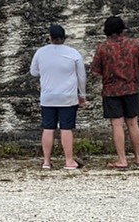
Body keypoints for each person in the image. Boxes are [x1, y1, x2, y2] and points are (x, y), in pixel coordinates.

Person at [90, 15, 139, 170]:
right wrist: (131, 70)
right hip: (131, 88)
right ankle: (138, 158)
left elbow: (96, 71)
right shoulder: (134, 44)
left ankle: (122, 159)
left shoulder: (103, 48)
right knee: (133, 123)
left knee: (117, 124)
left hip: (111, 90)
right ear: (122, 29)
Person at [28, 24, 87, 170]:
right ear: (65, 38)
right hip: (68, 96)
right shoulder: (73, 53)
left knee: (48, 127)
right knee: (66, 128)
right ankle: (69, 161)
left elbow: (34, 72)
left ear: (50, 37)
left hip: (48, 96)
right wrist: (82, 94)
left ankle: (46, 161)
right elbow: (81, 76)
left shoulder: (41, 52)